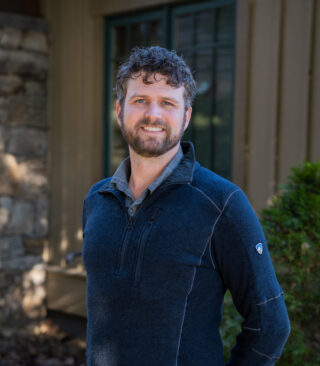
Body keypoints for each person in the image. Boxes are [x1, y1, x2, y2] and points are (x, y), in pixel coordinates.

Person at [81, 46, 290, 366]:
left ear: (186, 115)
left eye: (167, 103)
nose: (153, 114)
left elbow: (270, 324)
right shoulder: (97, 201)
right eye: (140, 101)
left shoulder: (222, 203)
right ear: (120, 110)